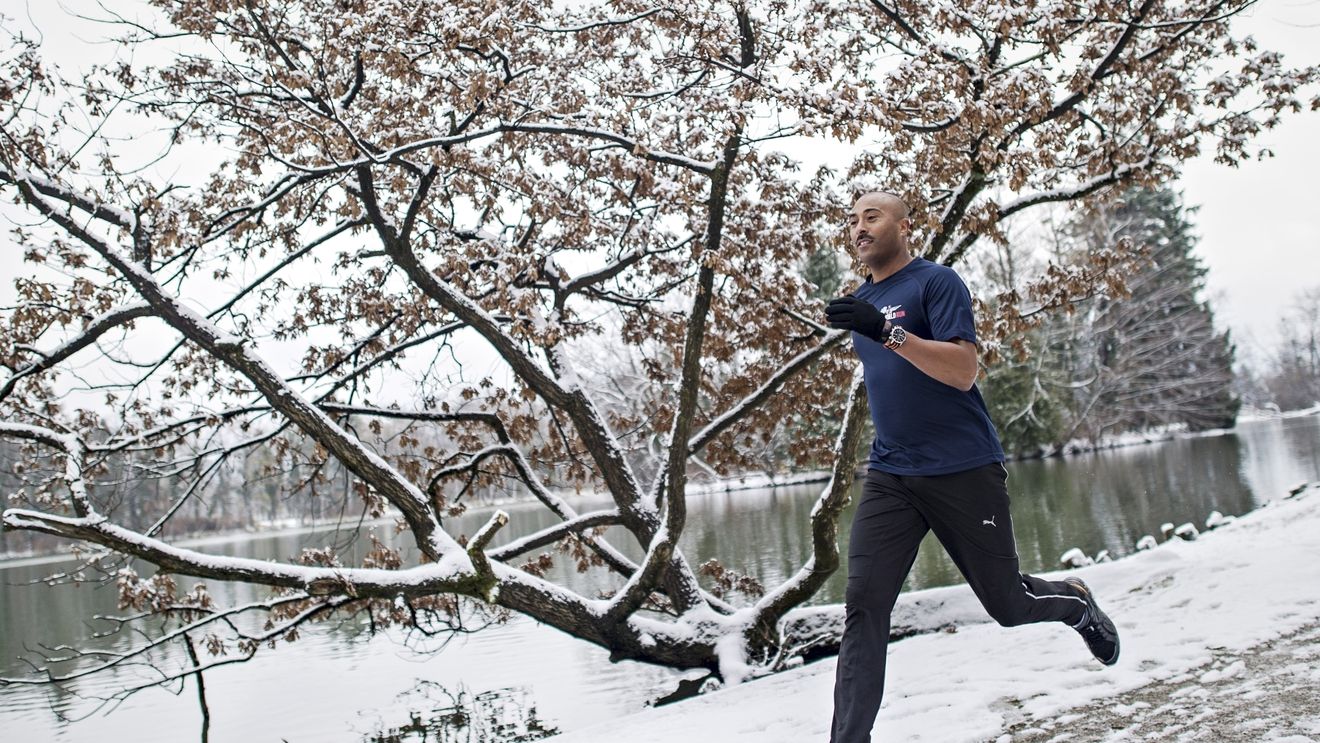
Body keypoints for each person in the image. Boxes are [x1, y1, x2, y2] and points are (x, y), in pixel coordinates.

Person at [823, 191, 1119, 743]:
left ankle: (1075, 604)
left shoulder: (936, 283)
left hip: (961, 468)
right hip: (892, 474)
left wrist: (885, 329)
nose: (859, 227)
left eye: (872, 216)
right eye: (853, 219)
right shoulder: (863, 298)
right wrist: (870, 323)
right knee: (863, 606)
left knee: (1008, 604)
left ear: (905, 226)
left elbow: (962, 370)